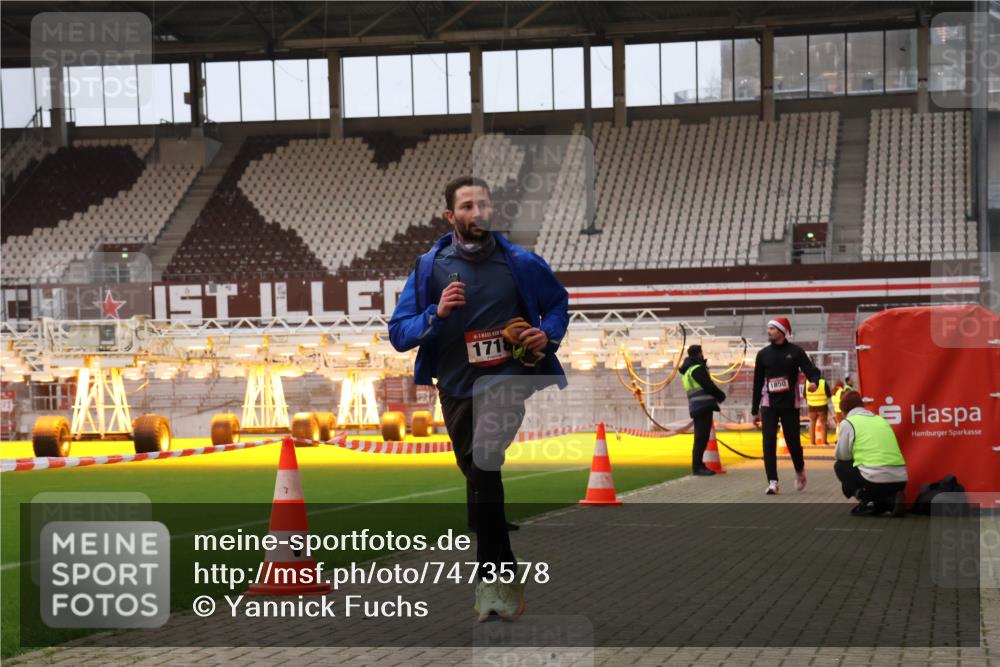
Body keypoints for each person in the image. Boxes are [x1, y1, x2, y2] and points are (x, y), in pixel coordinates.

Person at [388, 175, 569, 619]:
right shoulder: (429, 267)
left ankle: (497, 582)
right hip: (454, 386)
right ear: (451, 216)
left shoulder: (522, 263)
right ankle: (498, 575)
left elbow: (558, 304)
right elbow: (398, 332)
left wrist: (545, 334)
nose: (477, 213)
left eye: (483, 205)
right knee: (476, 471)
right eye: (467, 206)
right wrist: (437, 312)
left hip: (506, 379)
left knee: (485, 463)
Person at [751, 317, 822, 495]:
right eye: (768, 329)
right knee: (768, 442)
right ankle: (773, 482)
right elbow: (757, 383)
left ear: (782, 332)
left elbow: (811, 370)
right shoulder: (763, 355)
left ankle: (800, 470)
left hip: (790, 404)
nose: (769, 332)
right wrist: (754, 410)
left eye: (772, 329)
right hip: (768, 404)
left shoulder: (795, 352)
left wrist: (814, 382)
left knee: (793, 443)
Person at [834, 390, 908, 516]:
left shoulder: (848, 423)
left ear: (845, 411)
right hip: (900, 479)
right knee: (880, 493)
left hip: (874, 479)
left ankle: (866, 499)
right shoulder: (880, 419)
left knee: (840, 466)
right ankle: (890, 501)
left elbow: (842, 455)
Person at [679, 344, 727, 476]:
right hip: (703, 407)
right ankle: (698, 467)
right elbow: (708, 386)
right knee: (701, 438)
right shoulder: (697, 369)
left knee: (700, 438)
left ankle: (698, 465)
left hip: (696, 406)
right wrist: (721, 396)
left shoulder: (687, 370)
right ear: (699, 353)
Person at [805, 371, 832, 445]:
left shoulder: (807, 382)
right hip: (822, 407)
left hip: (811, 407)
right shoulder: (823, 382)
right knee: (823, 424)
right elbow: (829, 395)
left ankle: (812, 442)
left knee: (812, 424)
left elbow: (804, 395)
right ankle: (824, 442)